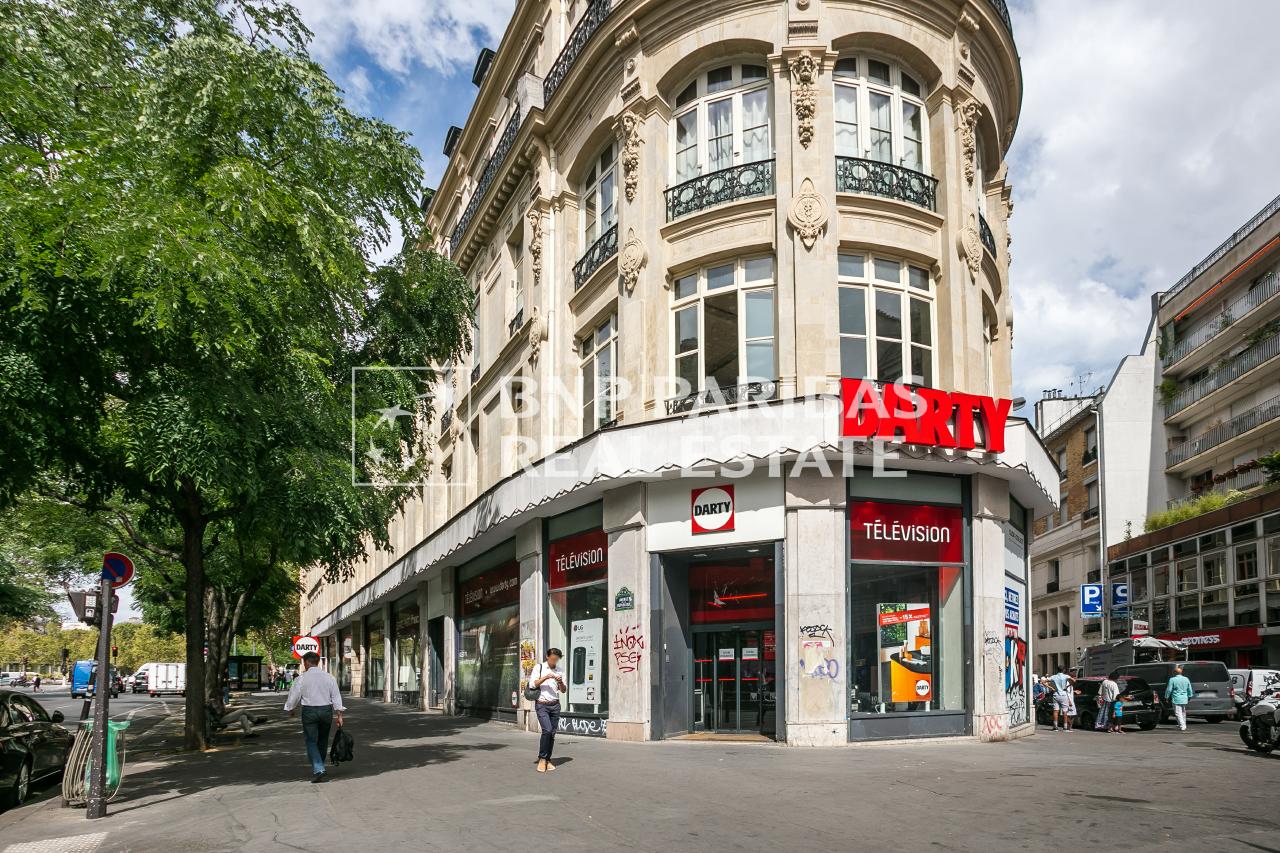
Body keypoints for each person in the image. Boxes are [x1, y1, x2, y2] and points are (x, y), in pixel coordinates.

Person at [283, 651, 345, 782]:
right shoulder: (329, 677)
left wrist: (291, 708)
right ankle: (319, 766)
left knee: (311, 740)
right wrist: (339, 715)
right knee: (323, 739)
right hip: (326, 711)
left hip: (309, 712)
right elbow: (336, 696)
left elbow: (294, 696)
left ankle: (319, 768)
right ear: (317, 662)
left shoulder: (301, 679)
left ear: (306, 662)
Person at [529, 648, 566, 773]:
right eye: (552, 659)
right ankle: (542, 759)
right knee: (547, 730)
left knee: (552, 733)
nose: (554, 661)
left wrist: (560, 682)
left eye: (556, 659)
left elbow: (563, 690)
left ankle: (548, 759)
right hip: (542, 705)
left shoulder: (560, 670)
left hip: (555, 705)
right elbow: (533, 684)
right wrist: (545, 677)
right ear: (547, 657)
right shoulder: (539, 668)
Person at [1165, 665, 1194, 731]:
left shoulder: (1172, 679)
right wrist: (1190, 696)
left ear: (1175, 673)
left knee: (1178, 712)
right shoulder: (1186, 679)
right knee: (1183, 712)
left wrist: (1166, 697)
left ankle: (1182, 725)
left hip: (1176, 698)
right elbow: (1189, 688)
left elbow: (1169, 689)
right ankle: (1183, 724)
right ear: (1181, 672)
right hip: (1184, 698)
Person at [1048, 665, 1076, 732]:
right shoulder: (1066, 676)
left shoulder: (1053, 676)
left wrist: (1051, 688)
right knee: (1065, 711)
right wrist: (1069, 685)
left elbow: (1042, 681)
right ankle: (1065, 727)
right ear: (1063, 670)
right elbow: (1074, 680)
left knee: (1055, 711)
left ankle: (1055, 727)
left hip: (1056, 694)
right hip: (1063, 694)